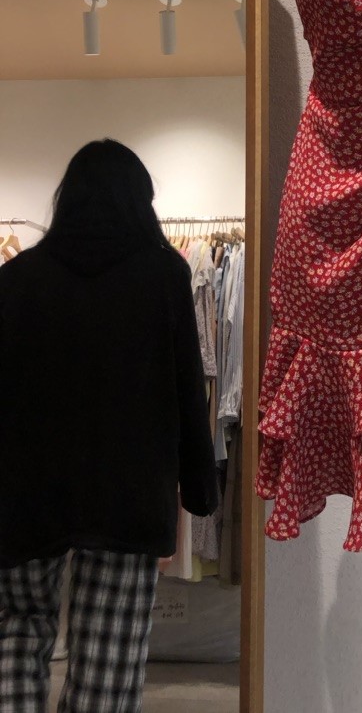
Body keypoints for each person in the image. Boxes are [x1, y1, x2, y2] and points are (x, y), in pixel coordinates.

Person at [0, 140, 218, 712]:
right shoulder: (164, 275)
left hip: (24, 496)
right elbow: (187, 388)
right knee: (107, 662)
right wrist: (200, 489)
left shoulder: (16, 279)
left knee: (16, 630)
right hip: (128, 495)